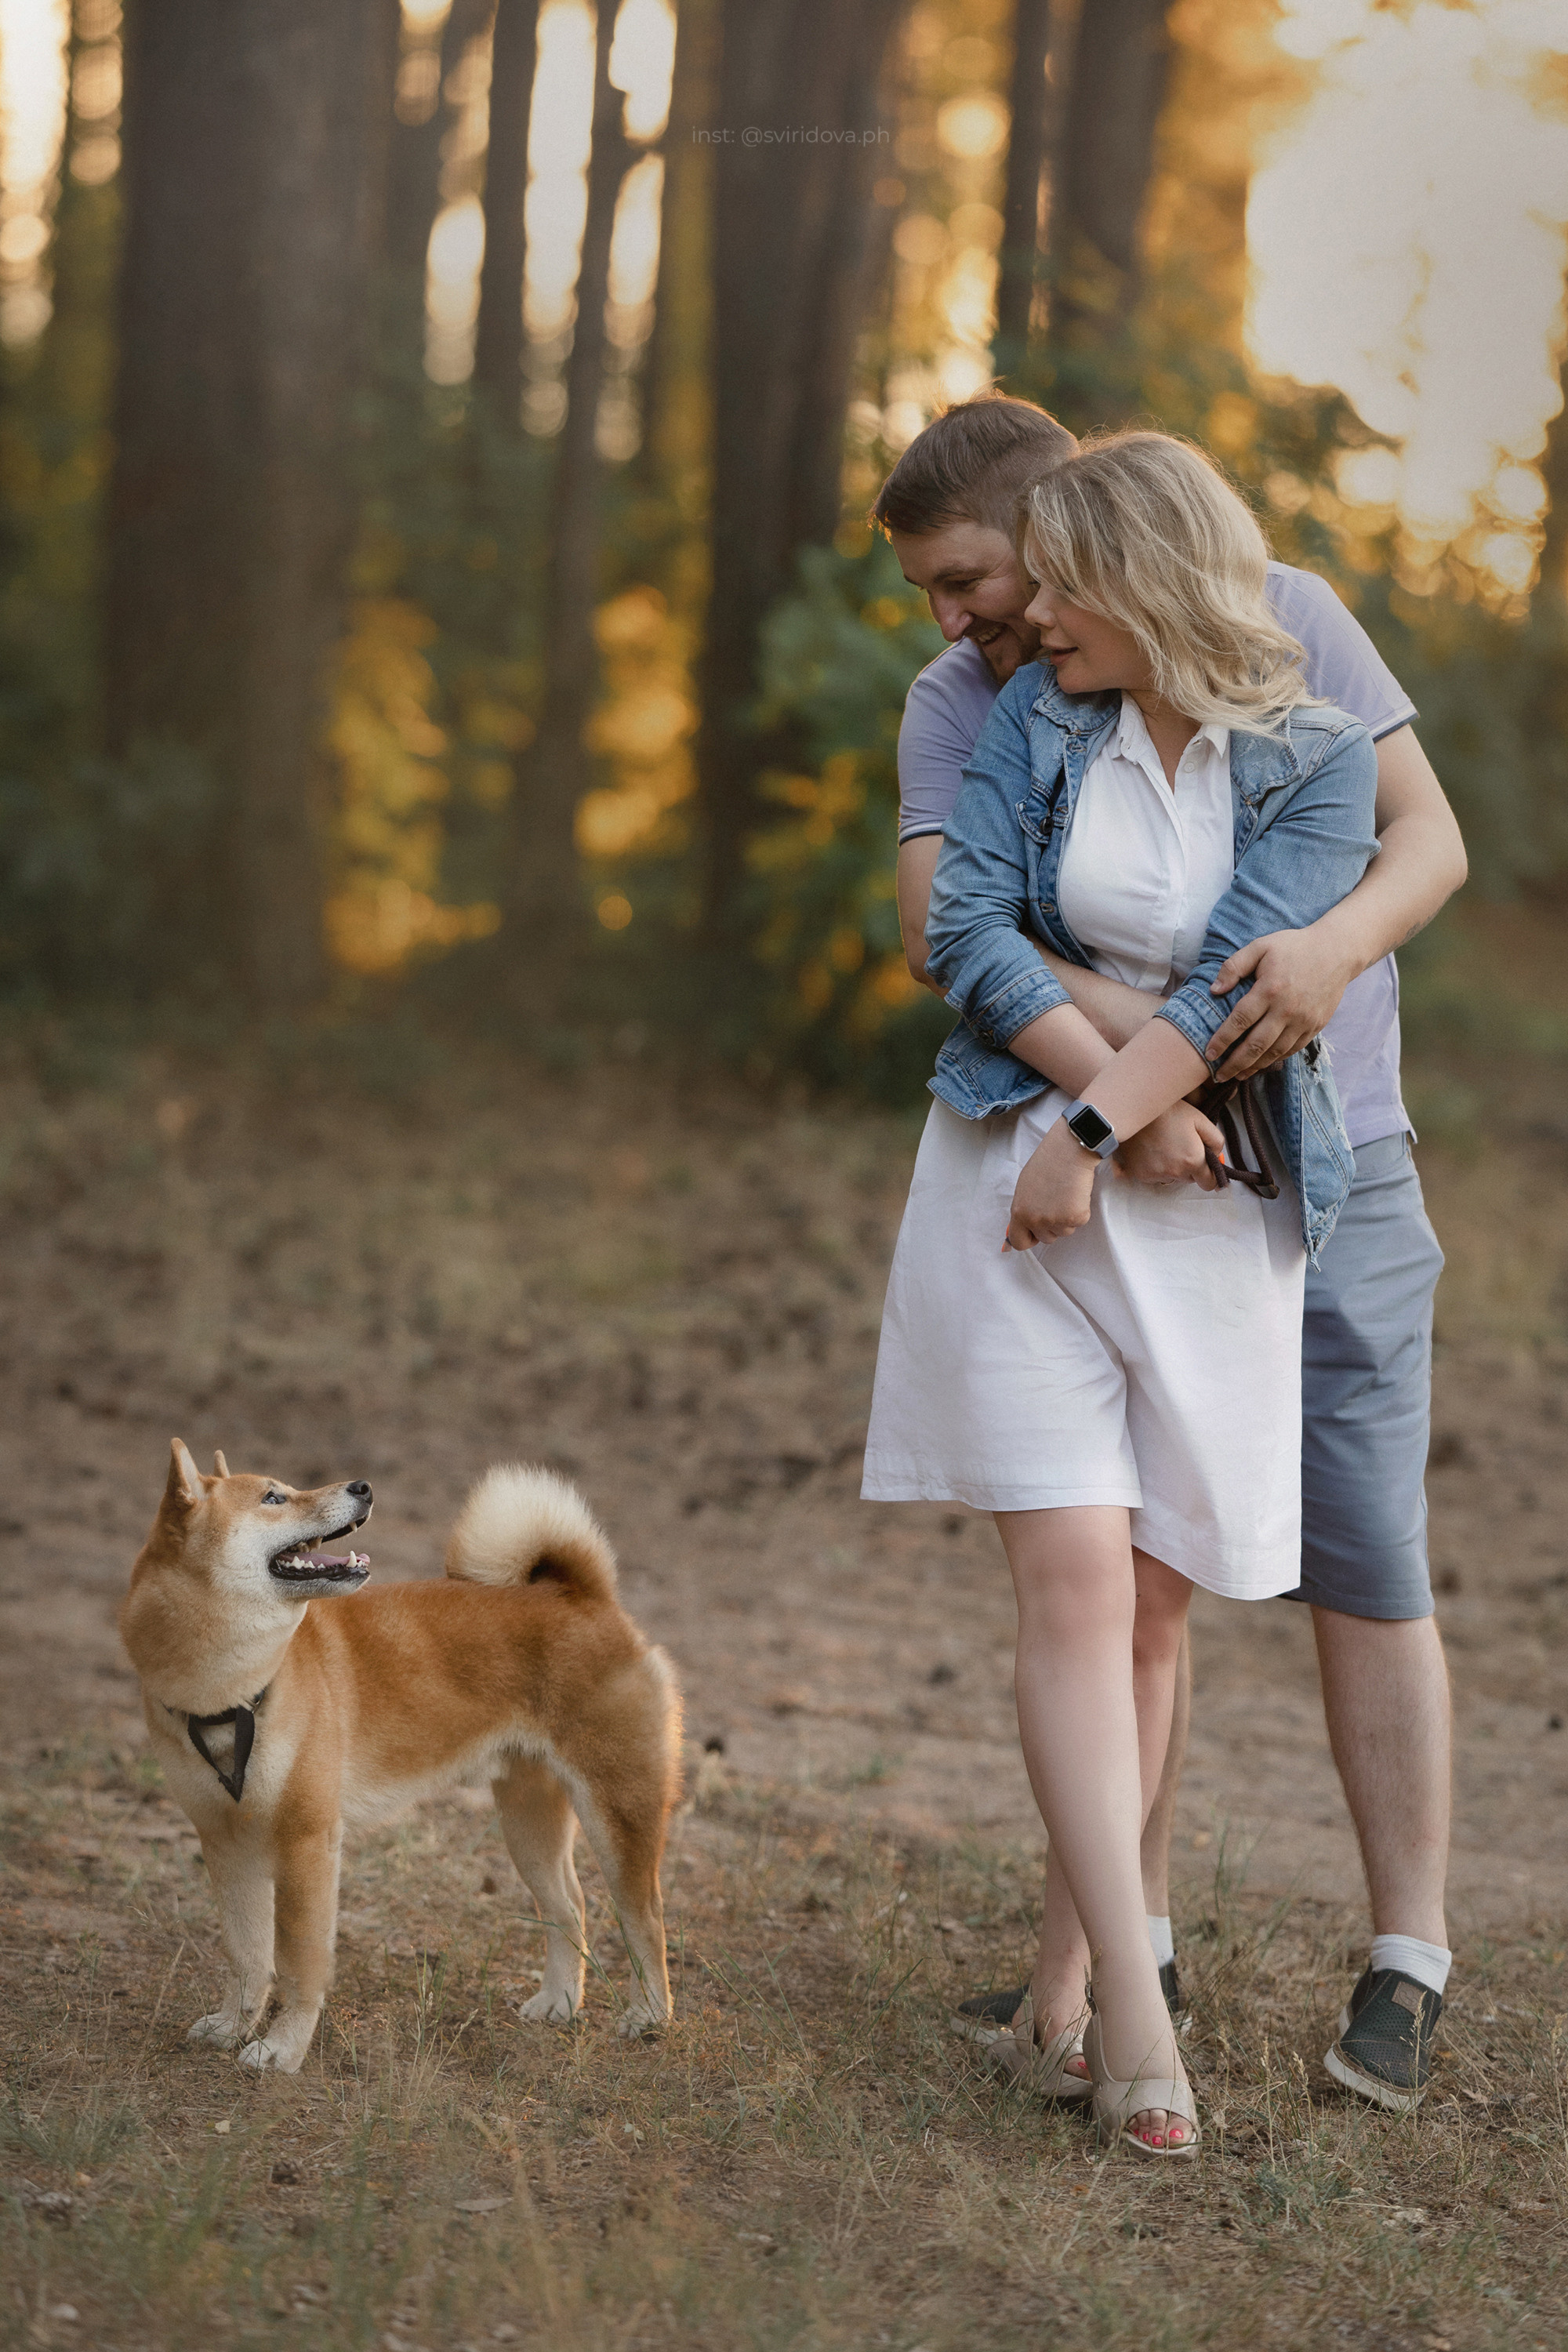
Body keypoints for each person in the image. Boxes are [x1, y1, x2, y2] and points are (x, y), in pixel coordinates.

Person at [876, 395, 1466, 2118]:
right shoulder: (980, 696)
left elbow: (1417, 838)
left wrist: (1318, 959)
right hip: (1134, 1156)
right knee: (1126, 1579)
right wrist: (1146, 1078)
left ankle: (1405, 1954)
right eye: (938, 596)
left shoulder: (1290, 625)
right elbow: (941, 927)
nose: (960, 622)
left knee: (1356, 1546)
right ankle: (1107, 1965)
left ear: (1069, 525)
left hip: (1321, 1166)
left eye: (972, 579)